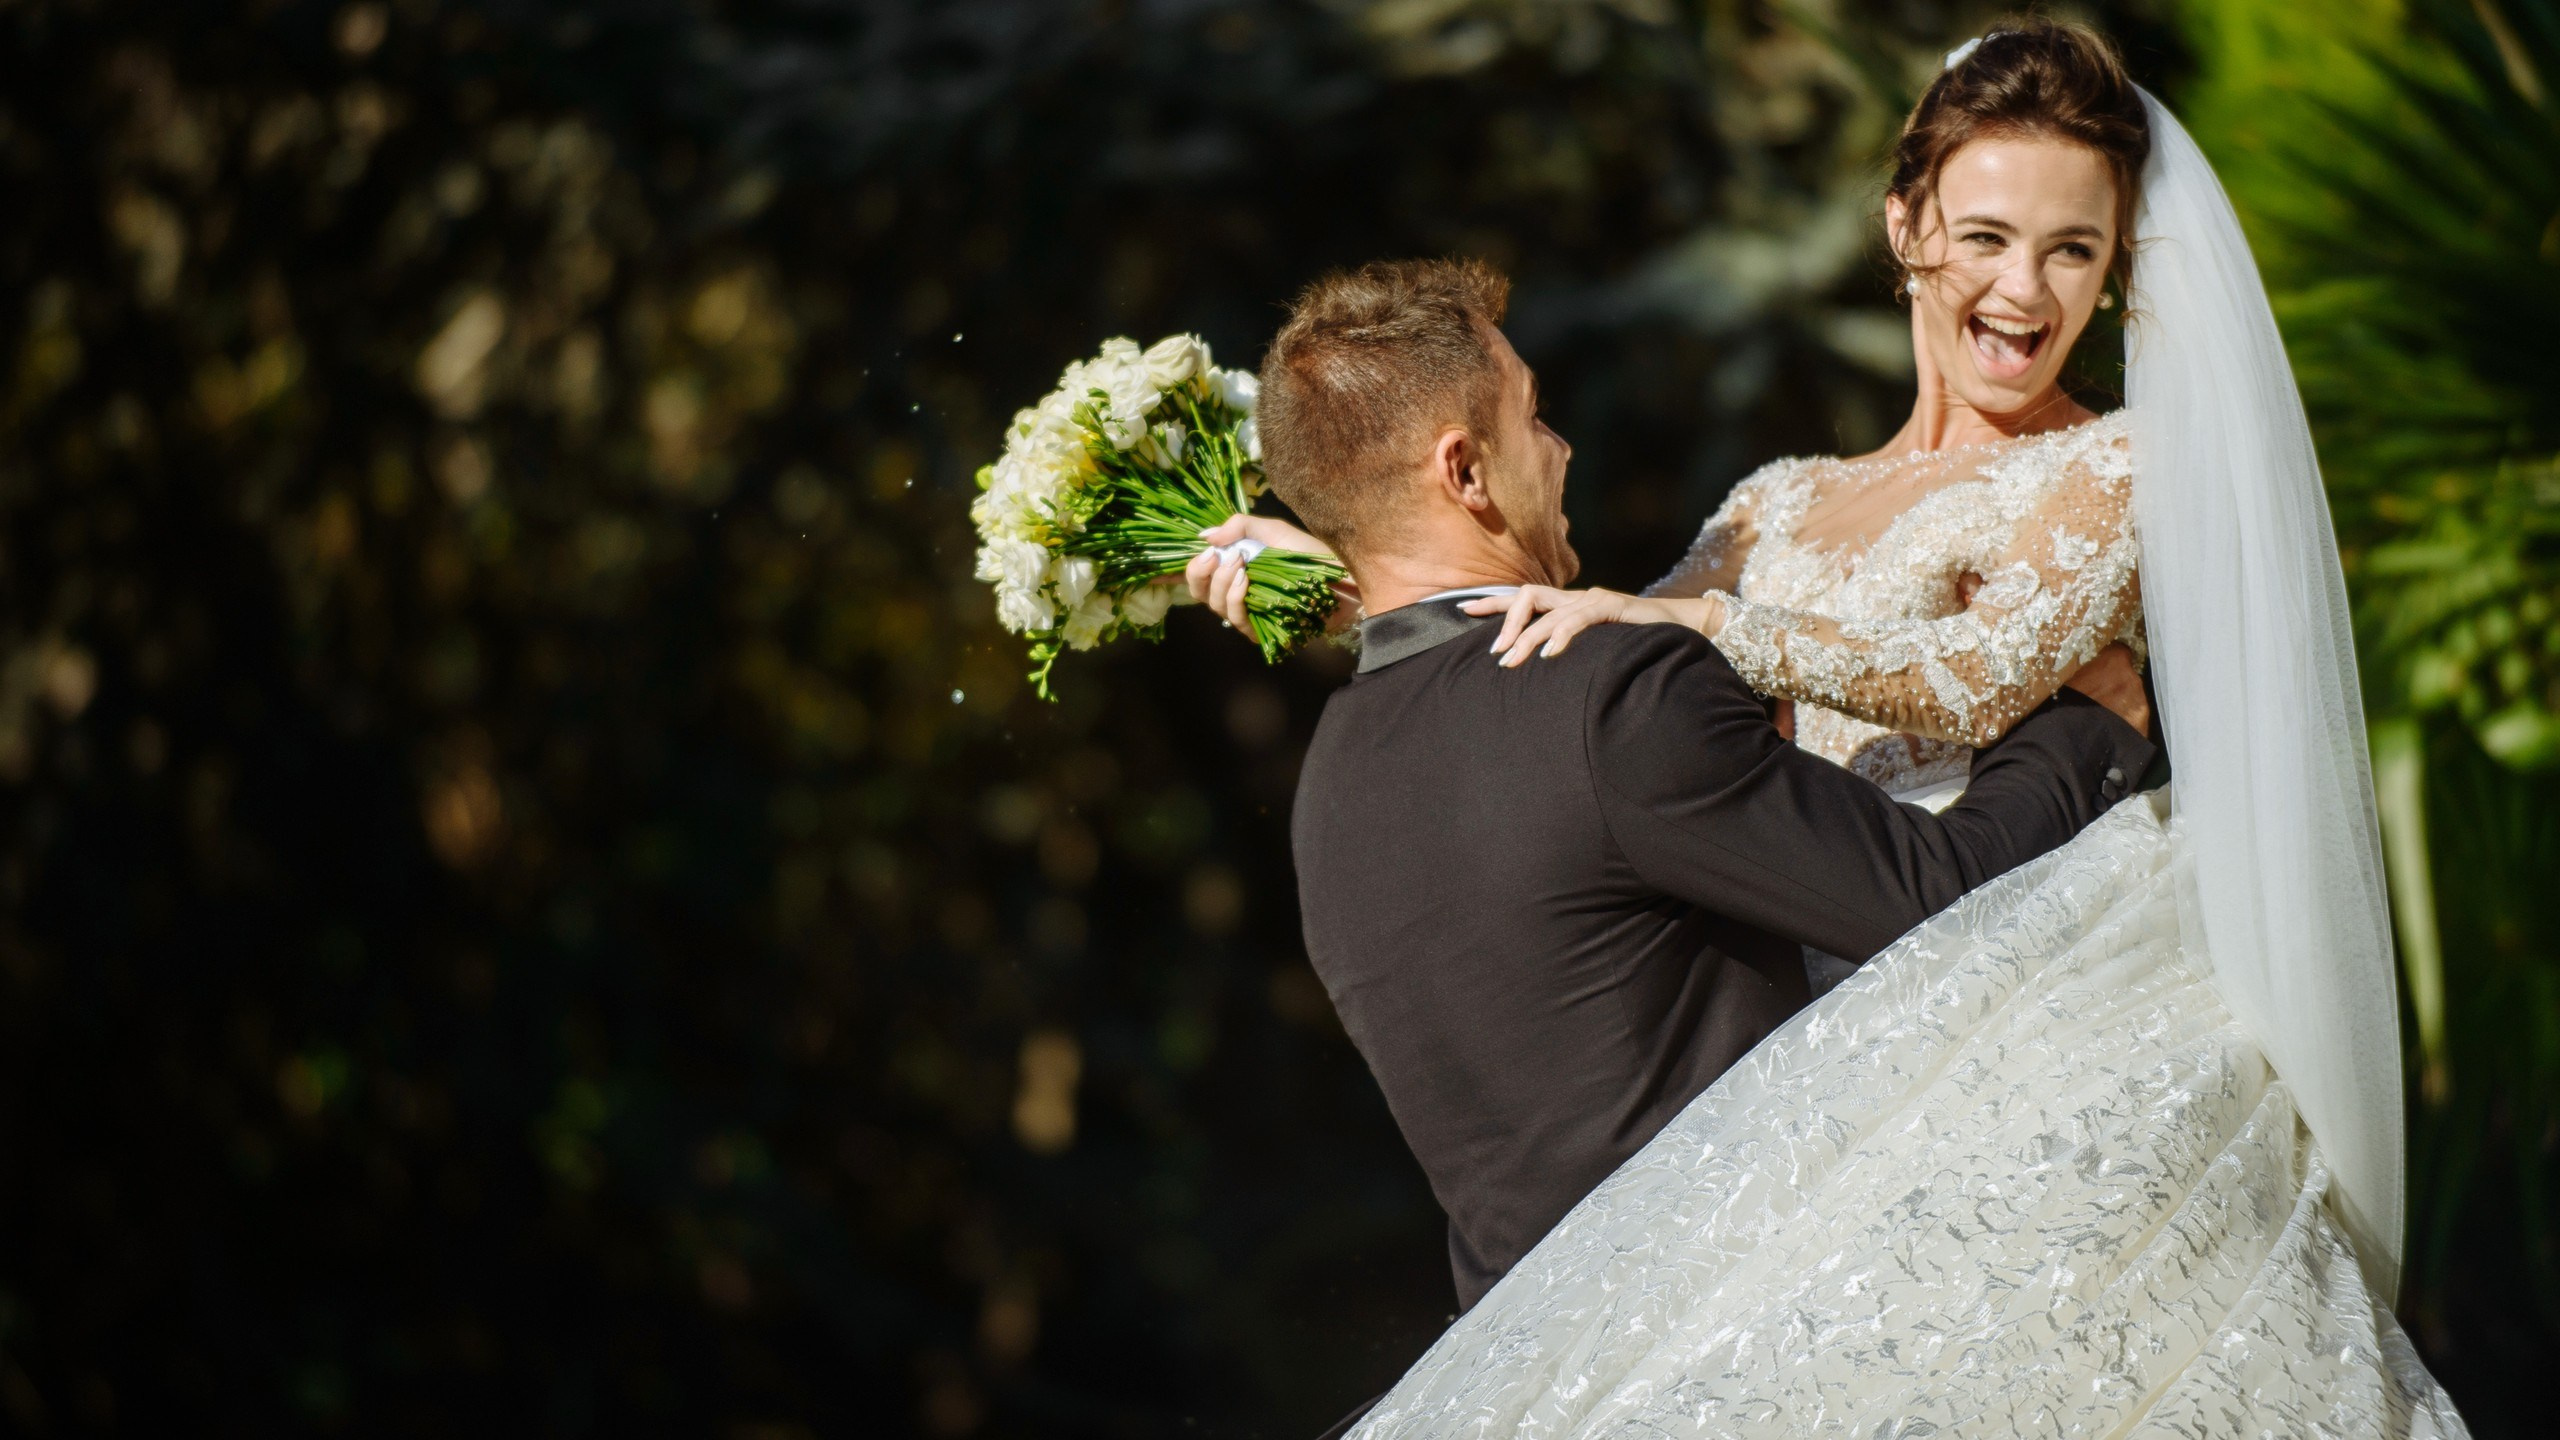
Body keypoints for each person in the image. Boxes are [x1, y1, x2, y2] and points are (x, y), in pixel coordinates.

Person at [1202, 20, 2468, 1436]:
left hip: (2012, 974)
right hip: (1826, 1017)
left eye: (2074, 250)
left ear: (2120, 270)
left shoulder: (2119, 464)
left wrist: (1718, 627)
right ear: (1905, 225)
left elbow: (1980, 680)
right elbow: (1567, 668)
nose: (2023, 290)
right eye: (1986, 236)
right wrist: (1341, 574)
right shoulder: (1776, 500)